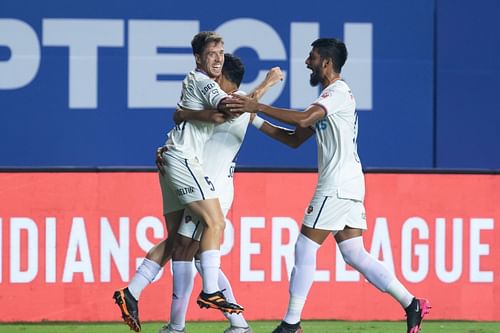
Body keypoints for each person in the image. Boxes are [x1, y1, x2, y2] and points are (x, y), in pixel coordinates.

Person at [224, 38, 431, 333]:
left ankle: (291, 324)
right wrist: (252, 117)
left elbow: (305, 118)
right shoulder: (326, 100)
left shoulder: (337, 93)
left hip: (336, 184)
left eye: (312, 57)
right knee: (354, 254)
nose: (307, 62)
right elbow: (294, 139)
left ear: (326, 63)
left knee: (304, 247)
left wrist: (256, 104)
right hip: (350, 184)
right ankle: (412, 303)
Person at [113, 31, 242, 332]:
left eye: (221, 52)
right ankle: (211, 292)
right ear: (198, 57)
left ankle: (130, 293)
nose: (218, 57)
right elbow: (228, 110)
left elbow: (210, 116)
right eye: (212, 53)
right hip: (183, 161)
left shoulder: (193, 83)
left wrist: (182, 113)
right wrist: (266, 86)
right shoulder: (205, 83)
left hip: (171, 158)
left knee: (175, 242)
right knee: (216, 223)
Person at [156, 54, 283, 333]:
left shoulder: (234, 104)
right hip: (214, 188)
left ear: (224, 78)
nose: (211, 80)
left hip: (207, 189)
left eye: (216, 75)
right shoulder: (241, 107)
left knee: (182, 250)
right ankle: (238, 324)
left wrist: (267, 83)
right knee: (199, 257)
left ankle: (176, 327)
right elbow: (266, 125)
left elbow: (235, 107)